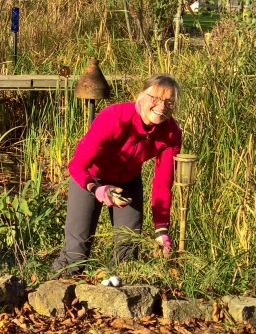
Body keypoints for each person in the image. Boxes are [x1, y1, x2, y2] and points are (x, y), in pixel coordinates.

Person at [52, 74, 183, 274]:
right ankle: (52, 294)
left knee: (127, 254)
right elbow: (77, 164)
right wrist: (97, 189)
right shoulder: (114, 117)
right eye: (155, 98)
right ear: (141, 96)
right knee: (75, 254)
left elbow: (163, 184)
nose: (161, 107)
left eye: (169, 102)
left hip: (128, 182)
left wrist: (162, 230)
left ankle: (118, 299)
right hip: (90, 178)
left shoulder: (171, 133)